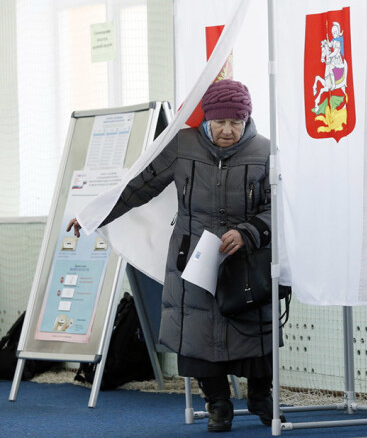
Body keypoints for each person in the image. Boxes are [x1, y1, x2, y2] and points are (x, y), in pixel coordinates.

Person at [67, 79, 284, 433]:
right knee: (197, 335)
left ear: (248, 121)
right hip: (193, 260)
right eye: (220, 122)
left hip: (247, 260)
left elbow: (279, 208)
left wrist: (248, 232)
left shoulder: (264, 151)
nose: (228, 130)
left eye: (236, 123)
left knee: (256, 334)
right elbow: (138, 186)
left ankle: (261, 396)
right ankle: (217, 405)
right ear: (206, 120)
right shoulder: (182, 146)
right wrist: (93, 215)